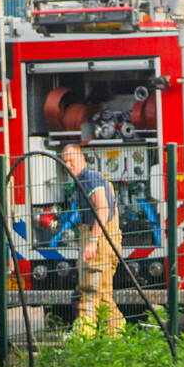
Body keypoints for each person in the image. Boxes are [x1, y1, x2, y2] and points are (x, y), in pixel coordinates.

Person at [60, 144, 126, 336]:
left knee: (89, 291)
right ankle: (116, 339)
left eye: (72, 160)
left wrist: (92, 241)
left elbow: (102, 209)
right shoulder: (89, 179)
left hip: (100, 244)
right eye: (65, 162)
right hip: (106, 242)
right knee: (103, 296)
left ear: (82, 158)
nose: (68, 165)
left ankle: (83, 338)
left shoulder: (89, 179)